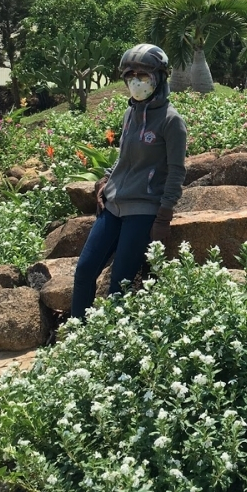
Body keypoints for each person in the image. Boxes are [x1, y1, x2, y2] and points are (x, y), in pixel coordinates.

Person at [70, 44, 187, 319]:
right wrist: (106, 179)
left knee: (119, 286)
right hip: (112, 206)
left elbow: (176, 172)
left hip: (143, 211)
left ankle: (112, 342)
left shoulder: (172, 121)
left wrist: (164, 216)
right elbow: (124, 157)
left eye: (143, 75)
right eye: (130, 74)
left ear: (159, 77)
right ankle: (77, 331)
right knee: (84, 271)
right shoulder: (130, 113)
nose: (136, 81)